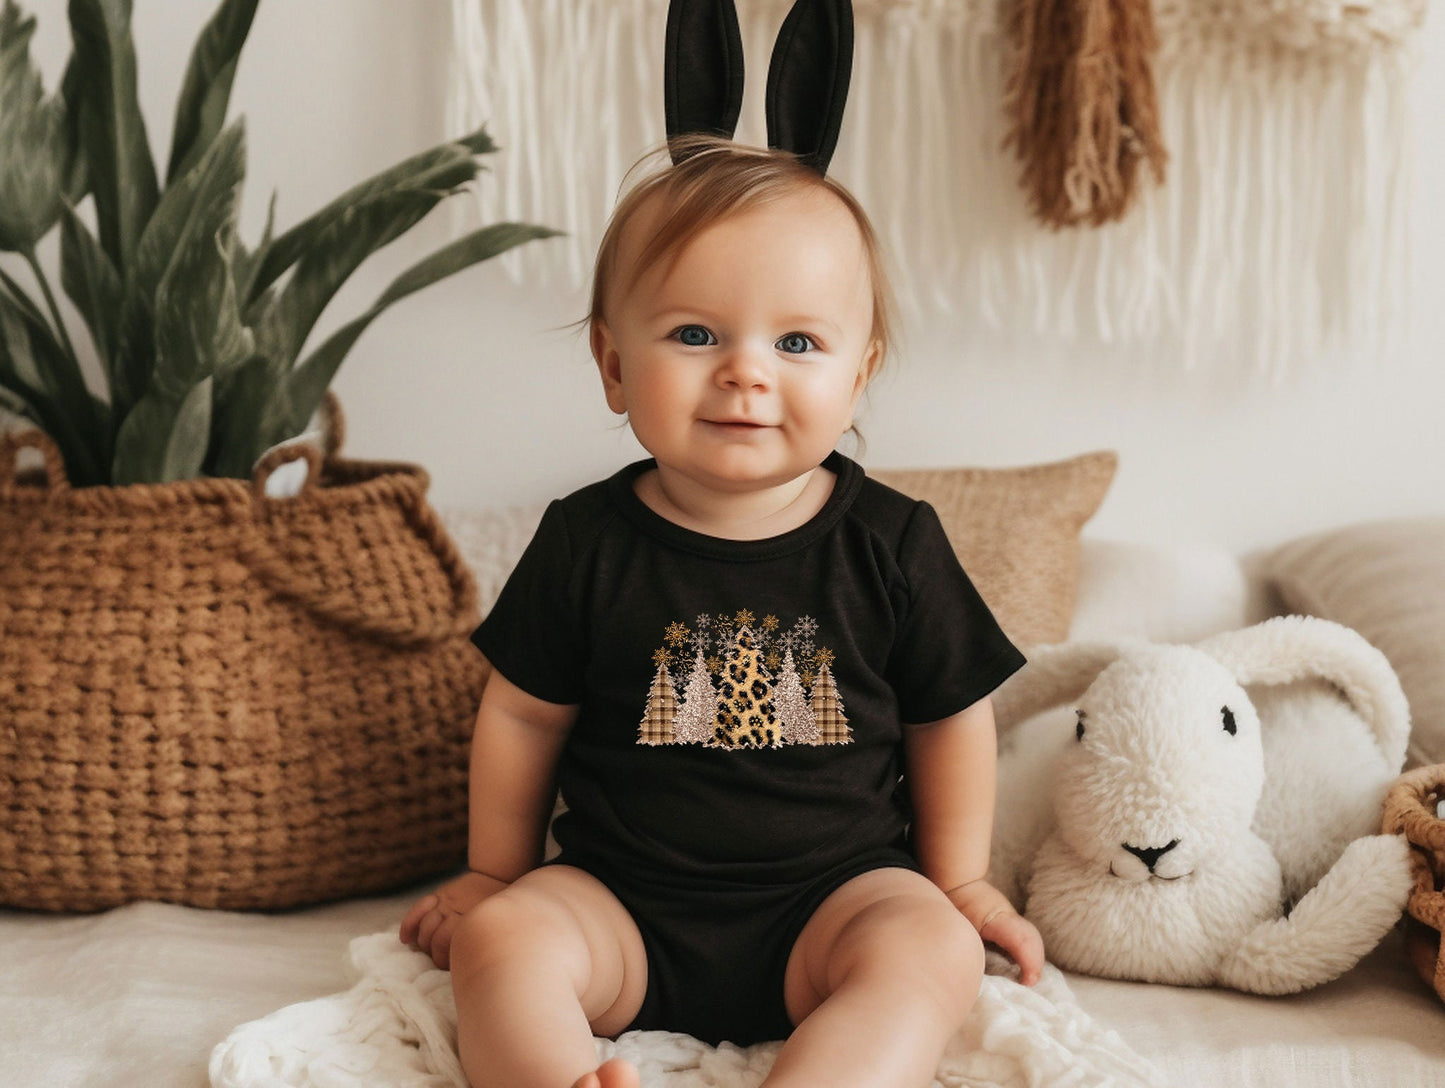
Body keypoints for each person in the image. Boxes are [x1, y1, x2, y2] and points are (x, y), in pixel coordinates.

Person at [401, 134, 1044, 1088]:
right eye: (696, 335)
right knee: (501, 940)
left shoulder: (891, 543)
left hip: (832, 905)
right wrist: (496, 874)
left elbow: (946, 717)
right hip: (620, 908)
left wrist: (956, 883)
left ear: (856, 374)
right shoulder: (586, 541)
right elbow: (523, 713)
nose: (747, 372)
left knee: (930, 949)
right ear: (612, 365)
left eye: (795, 343)